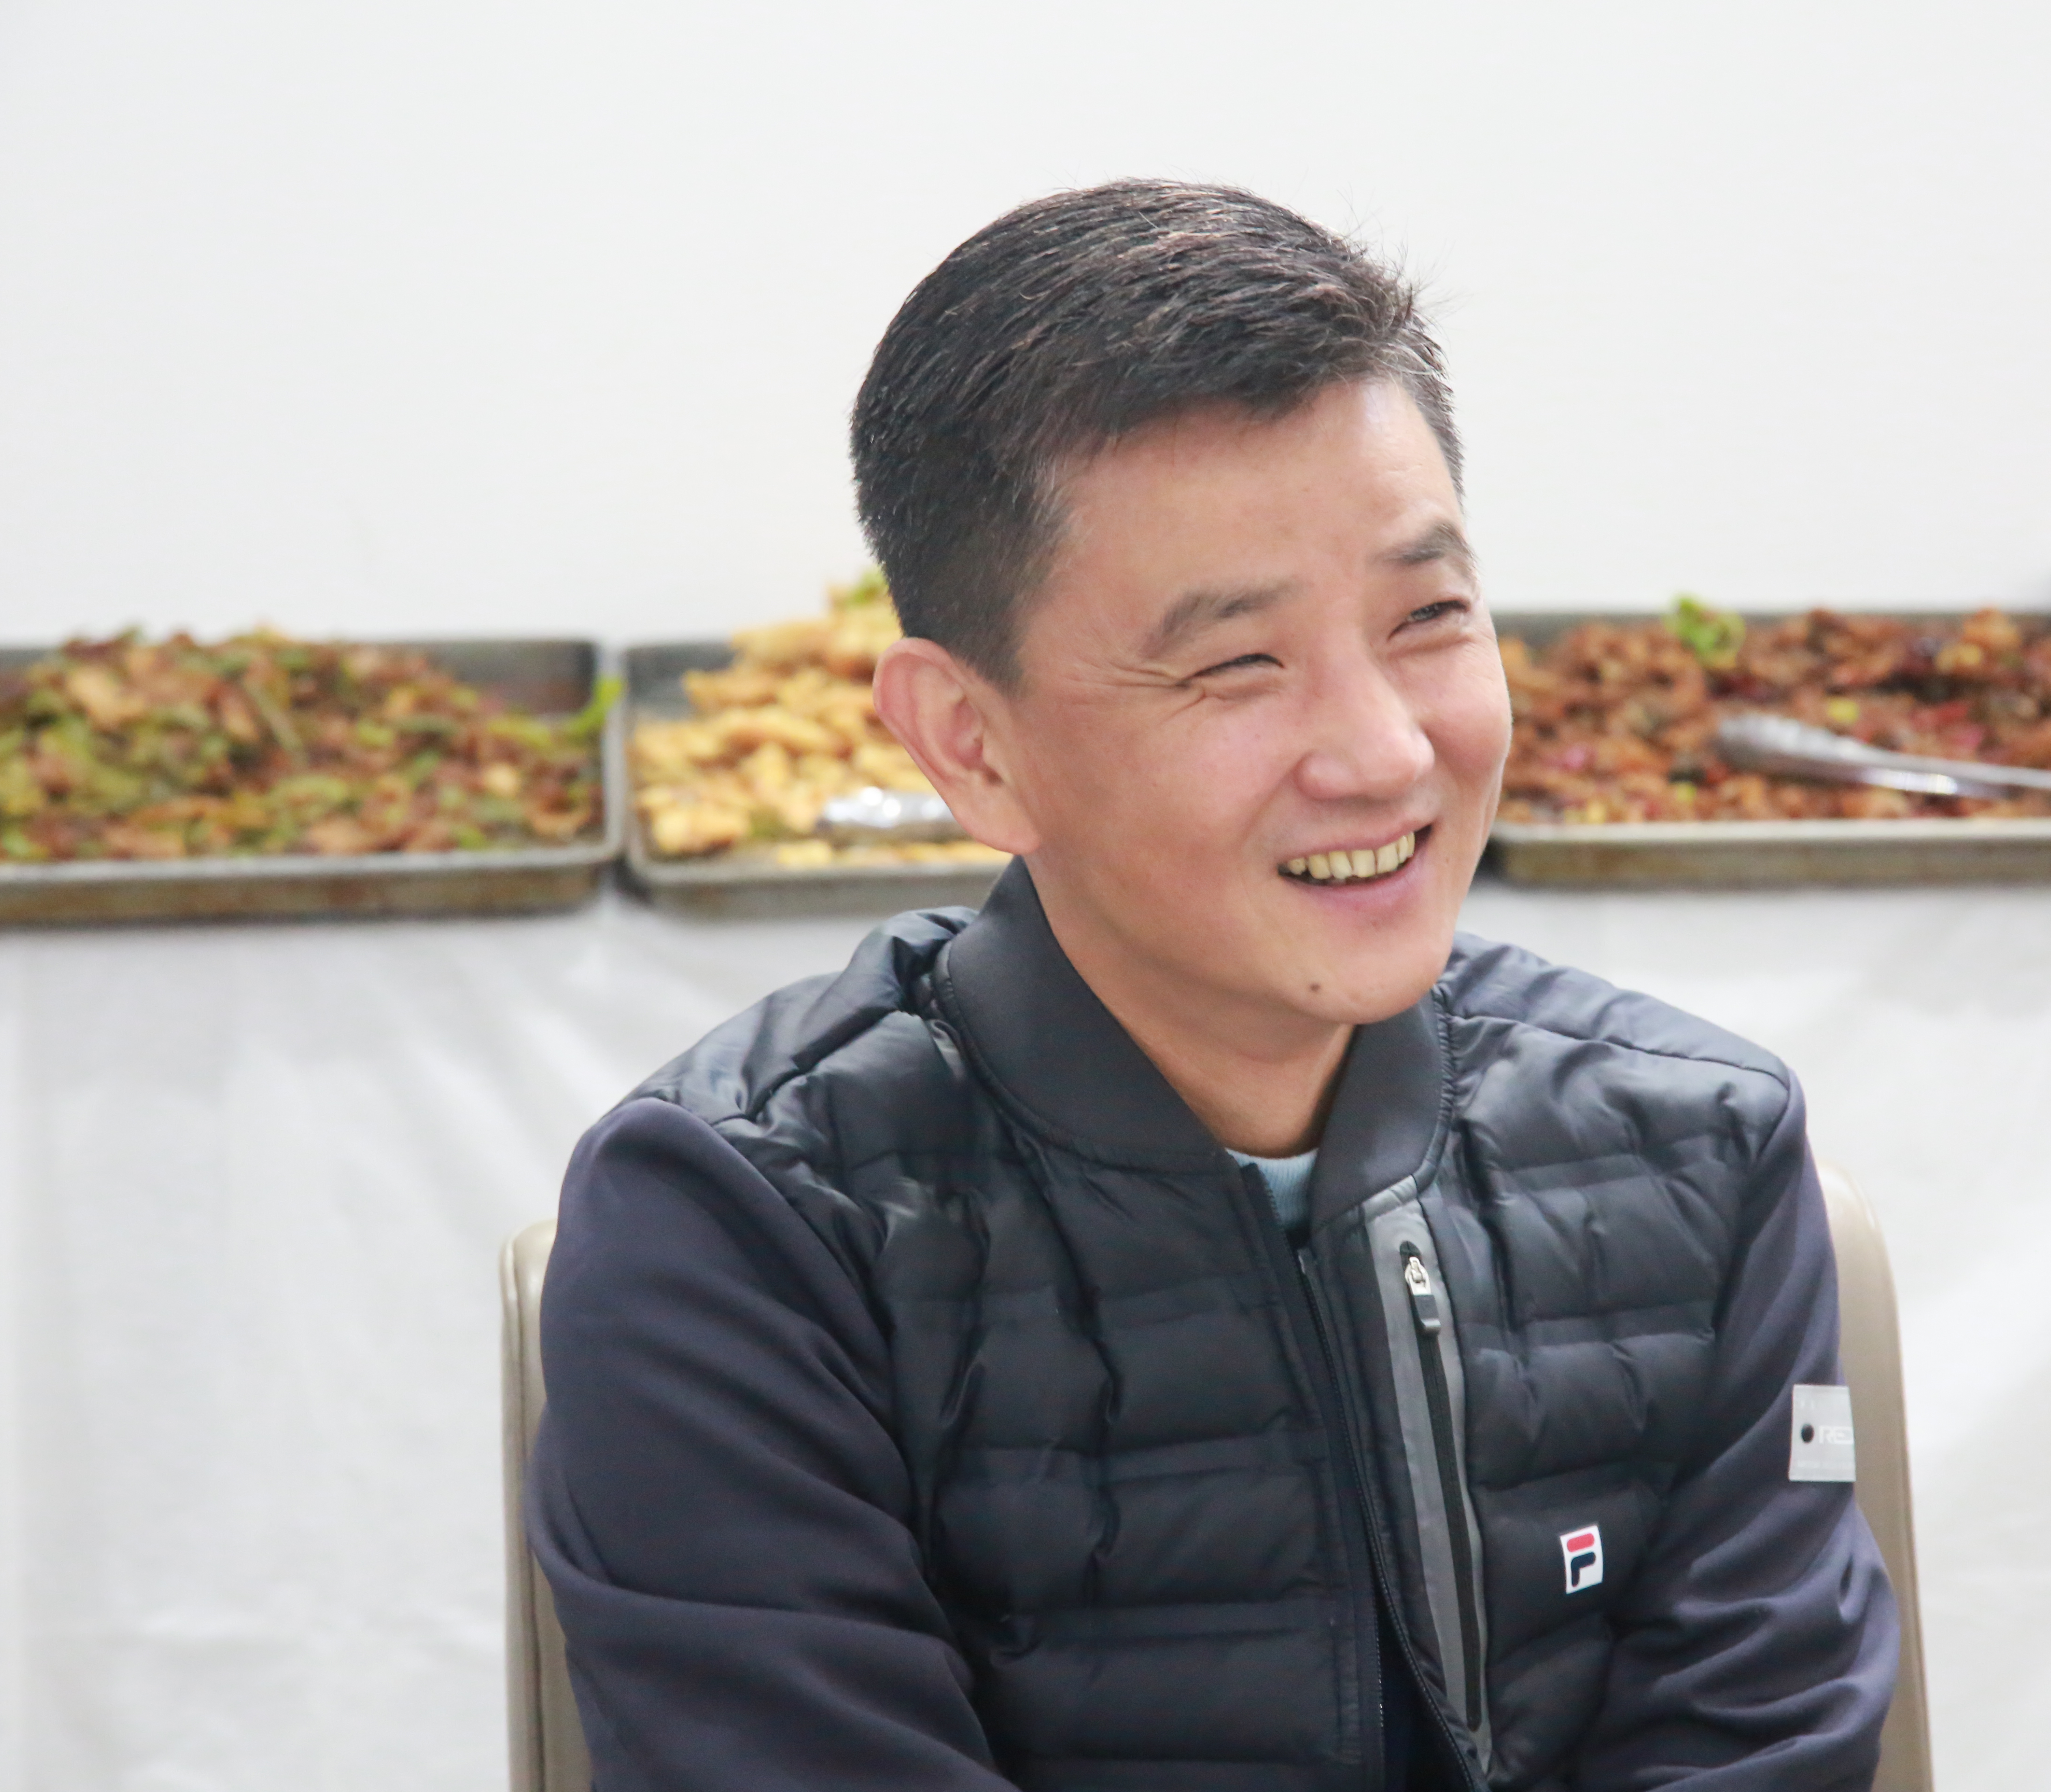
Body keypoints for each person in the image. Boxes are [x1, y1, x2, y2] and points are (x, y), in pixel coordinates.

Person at [528, 180, 1899, 1792]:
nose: (1384, 751)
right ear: (972, 743)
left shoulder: (1702, 1151)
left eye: (1429, 617)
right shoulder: (741, 1233)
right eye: (1239, 663)